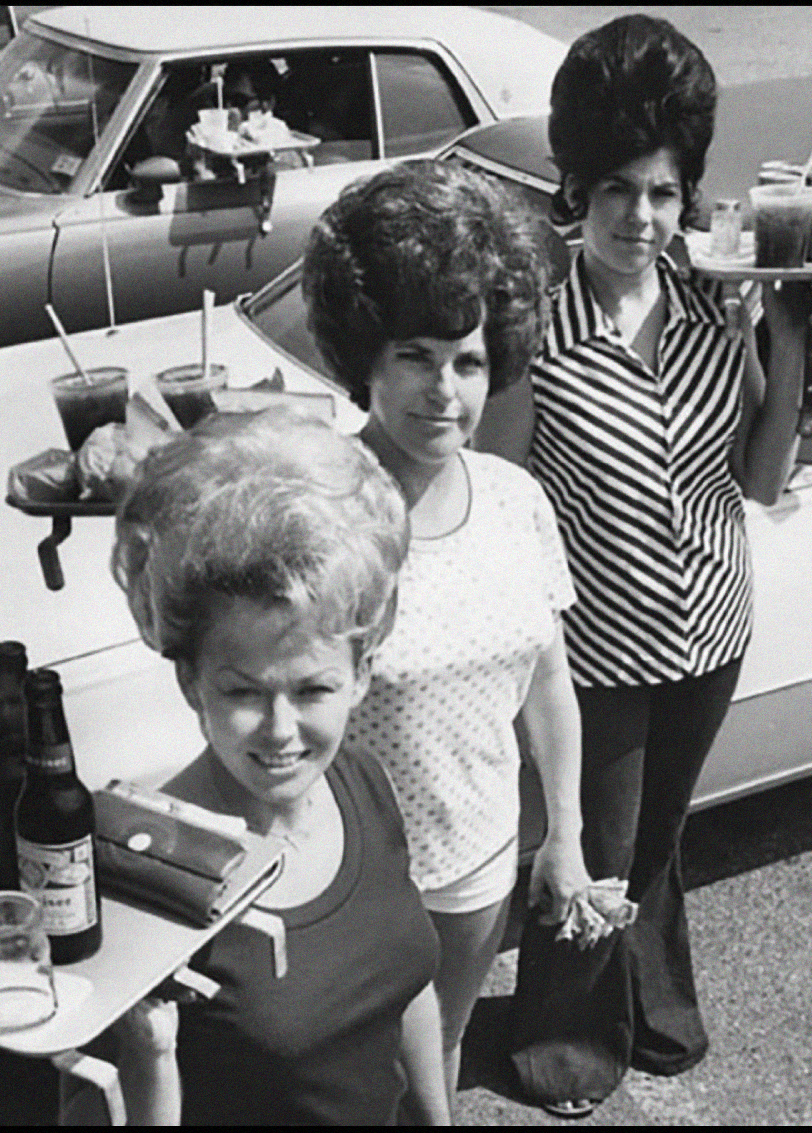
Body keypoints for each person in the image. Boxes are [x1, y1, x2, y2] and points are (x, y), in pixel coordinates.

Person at [474, 13, 807, 1113]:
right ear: (578, 185)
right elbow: (504, 497)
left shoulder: (719, 299)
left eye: (663, 192)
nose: (642, 217)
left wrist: (792, 338)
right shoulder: (533, 321)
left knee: (660, 836)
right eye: (618, 188)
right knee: (596, 847)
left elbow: (758, 477)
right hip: (592, 650)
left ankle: (654, 1004)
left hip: (711, 623)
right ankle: (561, 1038)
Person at [302, 160, 593, 1106]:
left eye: (466, 360)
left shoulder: (518, 499)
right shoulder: (321, 510)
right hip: (351, 882)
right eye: (415, 356)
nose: (444, 391)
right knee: (363, 1082)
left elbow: (547, 676)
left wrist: (567, 836)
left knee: (449, 1051)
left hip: (477, 864)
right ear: (365, 358)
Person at [65, 408, 448, 1125]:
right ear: (190, 683)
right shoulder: (142, 877)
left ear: (362, 672)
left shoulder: (364, 783)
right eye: (242, 691)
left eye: (313, 688)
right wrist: (149, 1054)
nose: (280, 731)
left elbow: (409, 991)